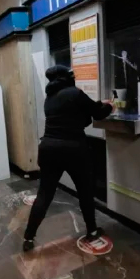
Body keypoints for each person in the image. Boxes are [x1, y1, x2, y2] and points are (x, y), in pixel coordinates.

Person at [23, 65, 113, 252]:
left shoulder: (50, 98)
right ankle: (92, 230)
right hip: (73, 149)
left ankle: (29, 236)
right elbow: (97, 113)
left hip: (48, 148)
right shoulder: (75, 93)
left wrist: (93, 106)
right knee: (85, 191)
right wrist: (109, 105)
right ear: (67, 77)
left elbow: (75, 116)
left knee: (44, 194)